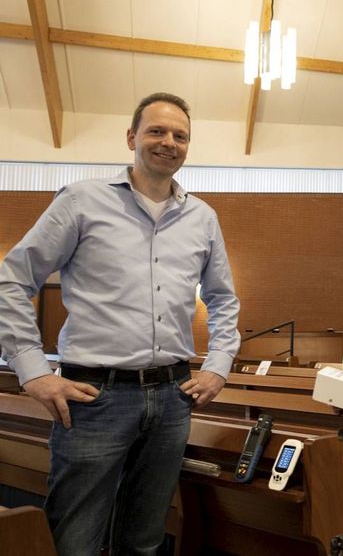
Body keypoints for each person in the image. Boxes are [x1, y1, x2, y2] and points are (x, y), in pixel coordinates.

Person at [0, 92, 241, 555]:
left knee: (145, 540)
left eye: (180, 135)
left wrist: (219, 364)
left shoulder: (202, 218)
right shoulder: (81, 201)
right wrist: (33, 372)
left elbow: (223, 298)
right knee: (75, 540)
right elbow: (11, 281)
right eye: (156, 131)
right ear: (132, 137)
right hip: (95, 398)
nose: (168, 142)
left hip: (173, 400)